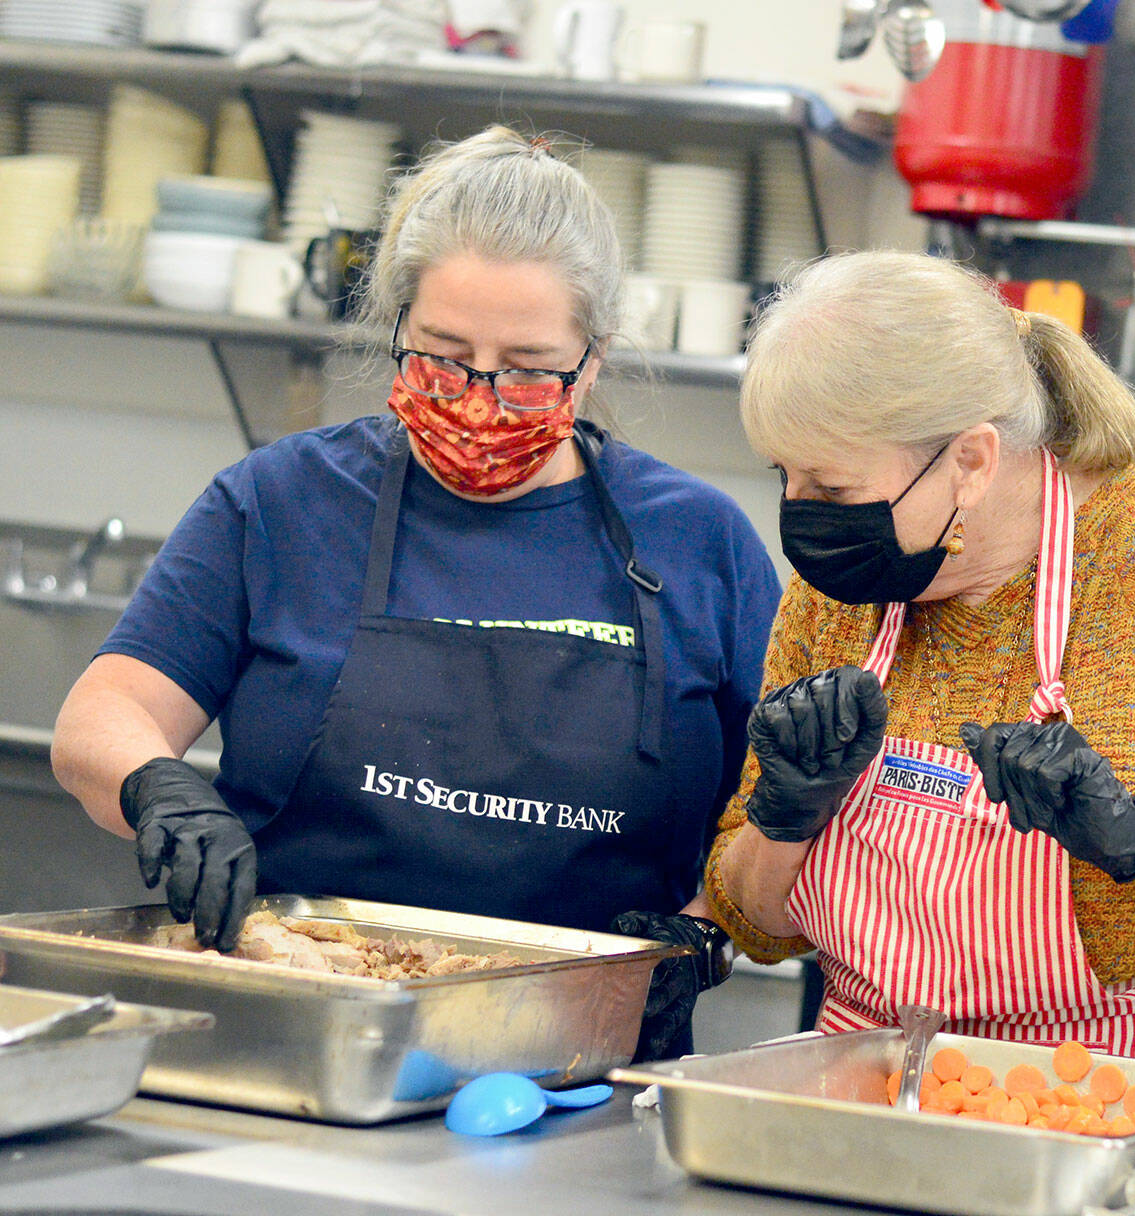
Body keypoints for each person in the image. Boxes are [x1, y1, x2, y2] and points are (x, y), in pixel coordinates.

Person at [50, 127, 780, 1060]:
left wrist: (703, 925)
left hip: (587, 1054)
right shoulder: (281, 501)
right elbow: (101, 715)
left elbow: (785, 809)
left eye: (525, 369)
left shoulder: (700, 540)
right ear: (396, 329)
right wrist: (157, 789)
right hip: (296, 1028)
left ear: (591, 360)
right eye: (442, 354)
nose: (479, 398)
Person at [704, 251, 1135, 1144]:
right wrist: (783, 818)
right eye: (784, 479)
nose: (804, 516)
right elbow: (751, 923)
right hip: (885, 1123)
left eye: (834, 488)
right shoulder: (836, 598)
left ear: (972, 460)